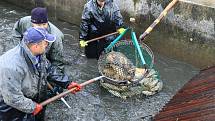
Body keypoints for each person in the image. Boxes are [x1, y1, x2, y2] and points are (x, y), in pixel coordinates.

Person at [0, 27, 81, 121]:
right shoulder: (11, 66)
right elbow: (12, 98)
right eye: (45, 42)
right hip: (12, 109)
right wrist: (32, 107)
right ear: (36, 46)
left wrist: (67, 83)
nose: (47, 44)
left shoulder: (38, 53)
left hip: (34, 97)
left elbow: (48, 69)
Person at [13, 7, 68, 93]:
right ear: (32, 23)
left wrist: (56, 83)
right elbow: (16, 33)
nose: (42, 28)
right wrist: (22, 49)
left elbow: (57, 62)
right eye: (38, 25)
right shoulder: (24, 22)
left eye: (44, 24)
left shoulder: (56, 37)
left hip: (48, 55)